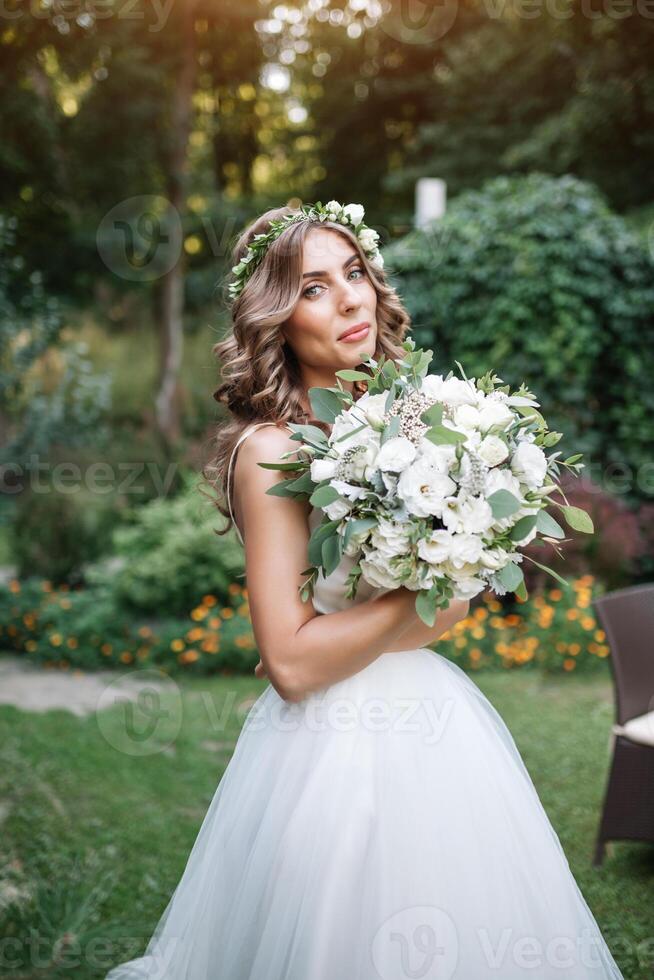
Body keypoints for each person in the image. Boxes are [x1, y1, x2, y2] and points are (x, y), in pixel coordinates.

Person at [106, 202, 625, 979]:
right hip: (331, 746)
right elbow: (289, 662)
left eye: (354, 273)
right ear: (275, 318)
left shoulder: (408, 426)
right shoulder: (273, 451)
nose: (351, 298)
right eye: (314, 287)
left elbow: (430, 621)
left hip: (436, 724)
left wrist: (461, 550)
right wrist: (435, 569)